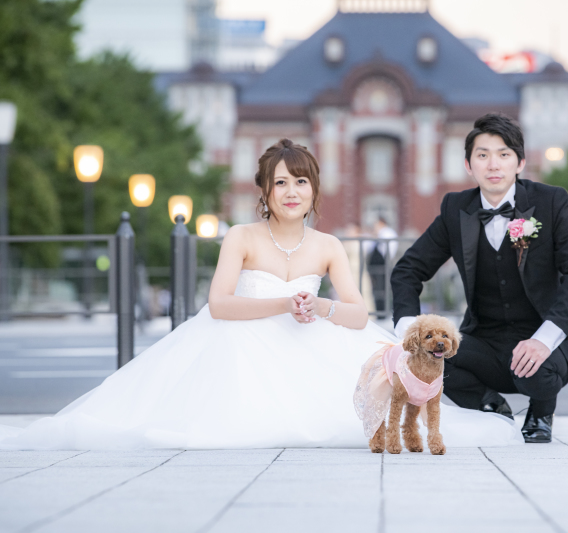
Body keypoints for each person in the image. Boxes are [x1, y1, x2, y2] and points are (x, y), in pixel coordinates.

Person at [0, 139, 521, 450]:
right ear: (265, 192)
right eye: (281, 183)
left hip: (311, 338)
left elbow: (360, 315)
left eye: (301, 182)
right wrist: (282, 304)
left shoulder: (328, 245)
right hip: (237, 339)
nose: (292, 192)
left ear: (314, 190)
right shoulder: (241, 237)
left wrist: (320, 306)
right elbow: (219, 304)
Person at [391, 114, 568, 443]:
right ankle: (490, 405)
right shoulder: (456, 208)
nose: (493, 164)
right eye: (482, 155)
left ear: (520, 162)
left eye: (503, 154)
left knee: (535, 371)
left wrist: (545, 338)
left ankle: (541, 411)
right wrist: (408, 329)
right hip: (484, 339)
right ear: (469, 165)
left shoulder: (551, 201)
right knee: (432, 356)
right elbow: (408, 270)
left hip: (541, 335)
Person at [366, 216, 398, 315]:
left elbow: (389, 250)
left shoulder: (387, 233)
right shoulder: (378, 234)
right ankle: (379, 311)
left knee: (382, 289)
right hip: (376, 265)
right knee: (377, 289)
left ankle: (383, 312)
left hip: (383, 264)